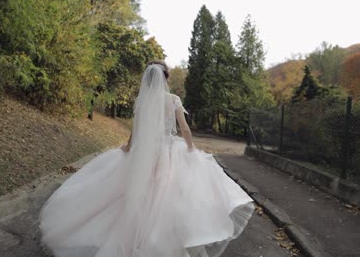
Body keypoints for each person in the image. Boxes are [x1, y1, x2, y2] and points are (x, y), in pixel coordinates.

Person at [39, 61, 255, 257]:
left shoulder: (143, 99)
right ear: (166, 78)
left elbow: (137, 128)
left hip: (145, 150)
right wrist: (192, 149)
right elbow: (185, 128)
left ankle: (134, 237)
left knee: (138, 192)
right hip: (169, 151)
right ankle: (162, 239)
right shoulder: (173, 99)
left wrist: (130, 147)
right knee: (168, 195)